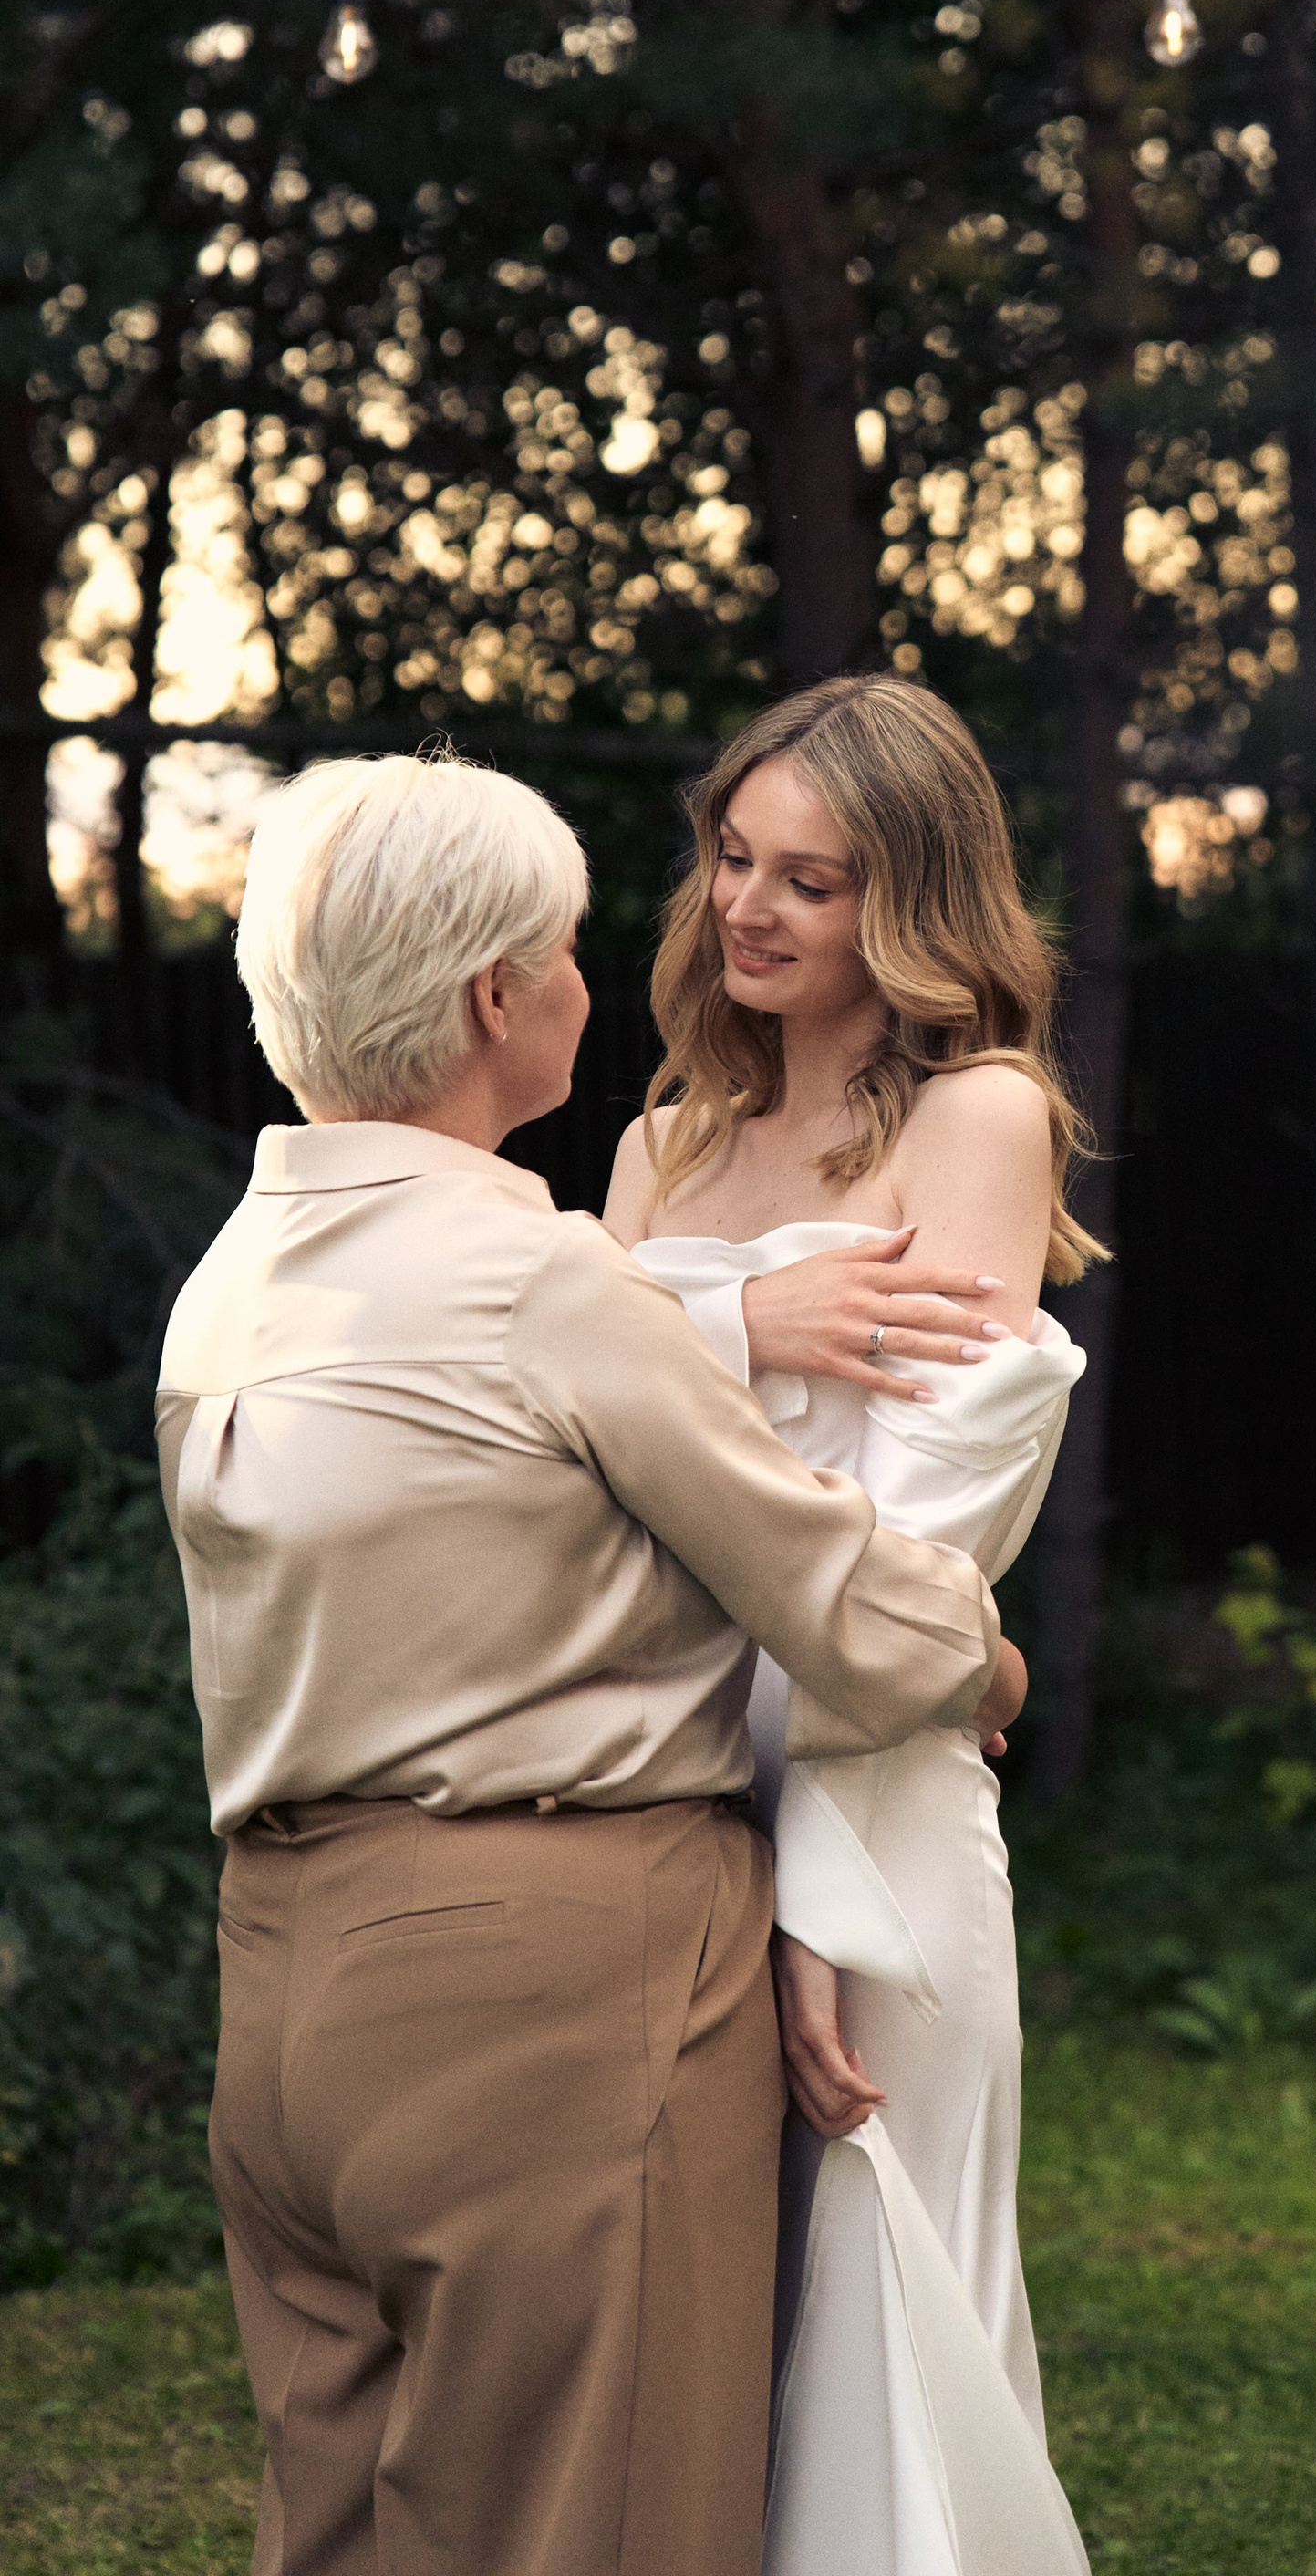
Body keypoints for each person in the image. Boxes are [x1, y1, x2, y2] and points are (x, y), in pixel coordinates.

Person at [158, 753, 1015, 2576]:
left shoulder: (228, 1286)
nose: (595, 971)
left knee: (340, 2531)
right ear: (494, 998)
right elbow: (846, 1601)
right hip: (542, 1987)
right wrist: (982, 1665)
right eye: (557, 946)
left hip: (280, 1985)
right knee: (589, 2526)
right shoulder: (539, 1275)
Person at [604, 674, 1101, 2576]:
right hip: (648, 1794)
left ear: (907, 900)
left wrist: (817, 1884)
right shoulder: (655, 1148)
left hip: (872, 1812)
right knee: (691, 2360)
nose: (748, 907)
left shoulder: (976, 1120)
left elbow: (912, 1559)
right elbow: (588, 1492)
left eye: (809, 880)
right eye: (734, 857)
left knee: (887, 2321)